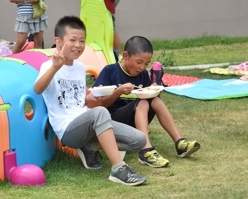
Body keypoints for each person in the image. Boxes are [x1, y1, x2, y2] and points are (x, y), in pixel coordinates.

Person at [34, 16, 147, 186]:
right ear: (58, 41)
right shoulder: (49, 66)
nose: (78, 45)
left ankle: (90, 146)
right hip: (67, 130)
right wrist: (55, 68)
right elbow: (38, 89)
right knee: (100, 112)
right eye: (73, 40)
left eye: (82, 40)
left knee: (139, 140)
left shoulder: (80, 68)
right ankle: (119, 169)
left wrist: (91, 97)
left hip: (86, 122)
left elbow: (79, 100)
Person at [93, 36, 201, 168]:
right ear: (125, 55)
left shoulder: (143, 74)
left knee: (154, 99)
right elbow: (98, 105)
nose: (142, 67)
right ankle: (146, 151)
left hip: (137, 119)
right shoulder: (110, 71)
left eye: (146, 64)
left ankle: (179, 143)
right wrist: (118, 92)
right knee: (143, 103)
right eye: (139, 62)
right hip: (114, 121)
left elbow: (148, 94)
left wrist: (154, 90)